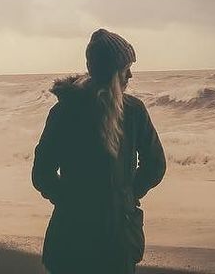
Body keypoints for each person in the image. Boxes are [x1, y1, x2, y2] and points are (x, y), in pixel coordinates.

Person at [31, 29, 166, 274]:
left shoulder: (64, 111)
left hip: (70, 233)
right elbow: (155, 165)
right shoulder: (133, 112)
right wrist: (127, 196)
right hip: (116, 238)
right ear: (113, 72)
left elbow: (42, 174)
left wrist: (69, 200)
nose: (131, 75)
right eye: (126, 68)